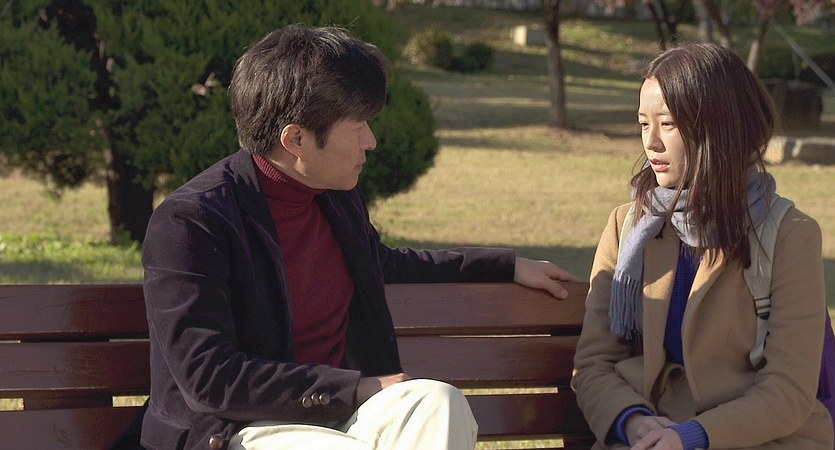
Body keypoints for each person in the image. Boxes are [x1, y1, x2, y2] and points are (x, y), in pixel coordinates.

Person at [140, 24, 578, 450]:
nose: (371, 141)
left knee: (438, 404)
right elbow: (210, 378)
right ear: (296, 139)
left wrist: (505, 266)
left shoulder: (334, 197)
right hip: (242, 428)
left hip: (345, 415)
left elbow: (382, 263)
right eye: (358, 126)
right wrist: (355, 388)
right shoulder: (192, 222)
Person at [571, 42, 833, 450]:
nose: (651, 142)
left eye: (668, 124)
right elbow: (594, 365)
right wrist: (633, 422)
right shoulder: (629, 226)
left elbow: (788, 390)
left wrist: (691, 437)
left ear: (719, 128)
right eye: (643, 123)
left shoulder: (789, 234)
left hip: (761, 438)